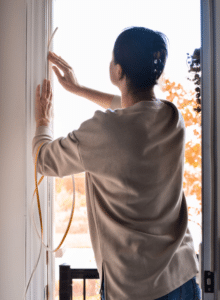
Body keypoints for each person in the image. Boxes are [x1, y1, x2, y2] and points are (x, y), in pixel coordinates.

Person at [33, 26, 201, 300]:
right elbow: (133, 108)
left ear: (118, 72)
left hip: (133, 290)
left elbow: (43, 160)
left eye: (113, 60)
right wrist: (77, 89)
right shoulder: (172, 117)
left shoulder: (103, 131)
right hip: (181, 280)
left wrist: (42, 123)